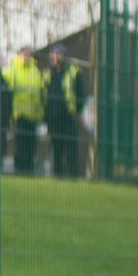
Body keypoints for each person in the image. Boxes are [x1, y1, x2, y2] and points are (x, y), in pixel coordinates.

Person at [44, 45, 89, 178]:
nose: (56, 57)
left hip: (69, 117)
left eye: (59, 54)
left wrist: (77, 111)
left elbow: (81, 94)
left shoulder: (73, 72)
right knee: (56, 149)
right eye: (54, 54)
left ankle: (72, 176)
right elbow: (44, 95)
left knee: (71, 149)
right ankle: (57, 176)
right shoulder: (48, 74)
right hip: (53, 118)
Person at [2, 45, 45, 175]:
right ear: (19, 54)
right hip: (19, 114)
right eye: (25, 54)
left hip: (33, 115)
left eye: (29, 54)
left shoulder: (35, 71)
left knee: (31, 145)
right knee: (20, 144)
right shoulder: (12, 69)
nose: (27, 56)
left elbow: (40, 91)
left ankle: (29, 171)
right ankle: (19, 170)